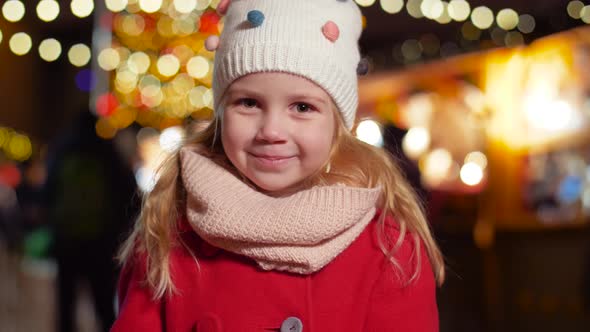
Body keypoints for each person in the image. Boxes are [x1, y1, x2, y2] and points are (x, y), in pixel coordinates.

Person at [111, 0, 445, 331]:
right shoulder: (169, 232)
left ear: (337, 125)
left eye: (301, 106)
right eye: (249, 102)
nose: (271, 131)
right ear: (221, 112)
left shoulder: (388, 250)